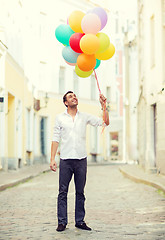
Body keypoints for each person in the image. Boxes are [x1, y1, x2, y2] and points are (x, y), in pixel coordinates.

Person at [50, 91, 109, 232]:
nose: (74, 97)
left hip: (81, 160)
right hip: (65, 160)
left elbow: (105, 122)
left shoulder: (85, 117)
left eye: (75, 95)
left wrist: (104, 107)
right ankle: (62, 222)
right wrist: (52, 159)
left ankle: (79, 221)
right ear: (65, 102)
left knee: (80, 192)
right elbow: (55, 138)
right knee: (62, 192)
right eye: (70, 96)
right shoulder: (60, 118)